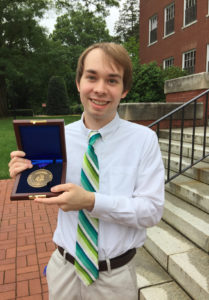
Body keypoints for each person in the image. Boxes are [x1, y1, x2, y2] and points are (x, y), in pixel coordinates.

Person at [9, 42, 164, 300]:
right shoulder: (58, 137)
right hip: (64, 269)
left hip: (115, 278)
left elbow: (151, 211)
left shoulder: (144, 140)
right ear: (79, 82)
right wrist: (24, 174)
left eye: (112, 80)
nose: (100, 89)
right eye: (92, 77)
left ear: (124, 90)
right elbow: (43, 187)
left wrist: (92, 201)